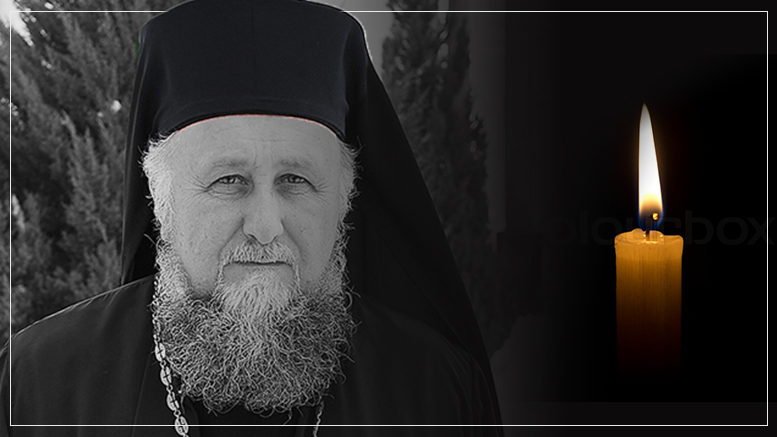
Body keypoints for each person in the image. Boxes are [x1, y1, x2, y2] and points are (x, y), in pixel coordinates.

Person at [2, 0, 503, 435]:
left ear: (345, 198)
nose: (265, 227)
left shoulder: (436, 391)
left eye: (295, 180)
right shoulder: (37, 384)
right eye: (229, 180)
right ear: (161, 196)